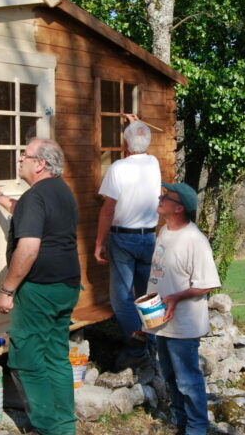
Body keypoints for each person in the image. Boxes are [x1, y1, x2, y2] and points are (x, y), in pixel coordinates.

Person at [0, 138, 81, 435]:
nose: (20, 158)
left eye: (25, 155)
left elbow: (29, 248)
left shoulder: (37, 196)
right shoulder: (60, 191)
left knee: (27, 358)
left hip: (39, 290)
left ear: (40, 164)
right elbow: (26, 210)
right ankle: (64, 425)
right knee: (56, 355)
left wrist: (7, 289)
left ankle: (47, 427)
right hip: (66, 286)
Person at [146, 183, 221, 435]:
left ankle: (197, 428)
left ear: (178, 208)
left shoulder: (195, 241)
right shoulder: (165, 231)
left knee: (188, 381)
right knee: (169, 377)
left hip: (184, 326)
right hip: (162, 322)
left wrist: (176, 298)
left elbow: (208, 283)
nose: (160, 197)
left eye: (165, 196)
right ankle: (181, 425)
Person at [93, 115, 161, 365]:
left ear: (124, 143)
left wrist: (99, 242)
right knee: (148, 296)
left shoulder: (118, 168)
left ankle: (136, 350)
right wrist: (137, 123)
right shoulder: (153, 163)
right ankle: (154, 343)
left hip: (124, 240)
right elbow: (141, 143)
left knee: (121, 299)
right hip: (149, 238)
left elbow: (108, 209)